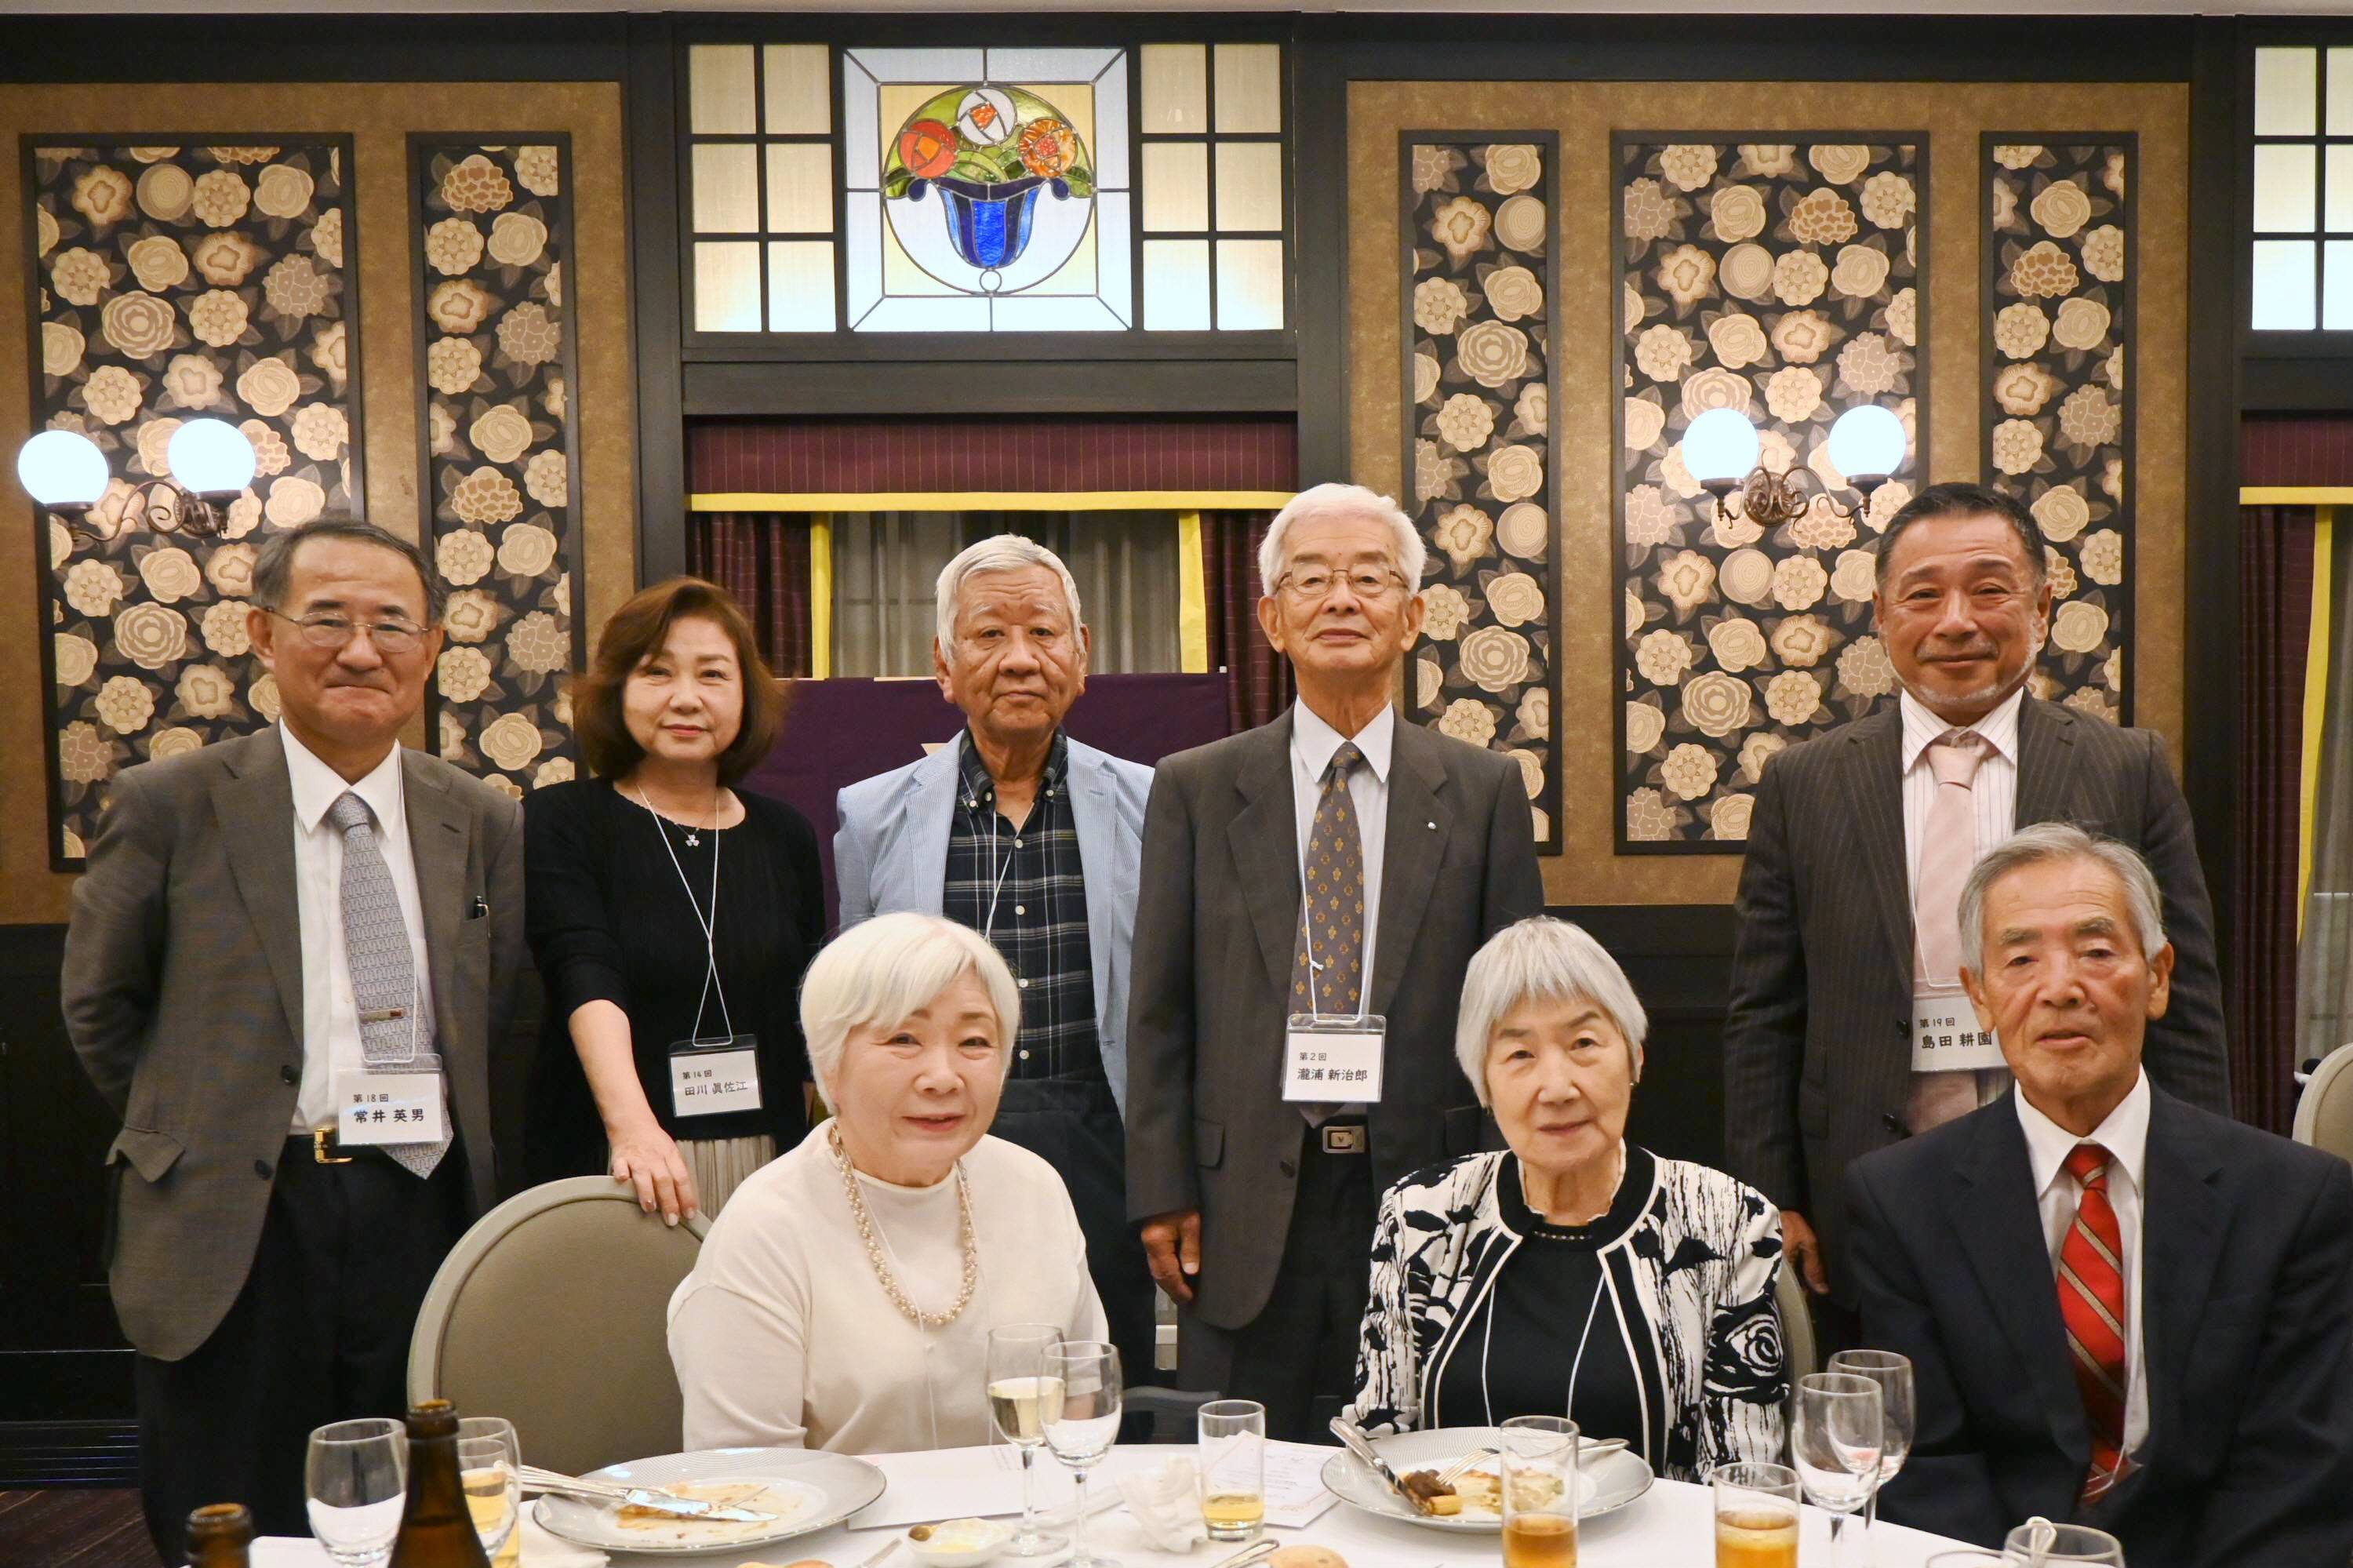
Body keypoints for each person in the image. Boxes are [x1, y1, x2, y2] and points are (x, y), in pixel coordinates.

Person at [60, 517, 527, 1561]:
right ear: (263, 634)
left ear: (431, 649)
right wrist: (203, 1124)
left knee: (420, 1507)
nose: (361, 650)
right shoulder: (171, 802)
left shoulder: (479, 816)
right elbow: (100, 1007)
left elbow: (499, 1007)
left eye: (392, 624)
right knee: (235, 1507)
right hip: (241, 1212)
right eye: (328, 619)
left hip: (422, 1199)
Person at [1723, 481, 2228, 1346]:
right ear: (1881, 615)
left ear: (2042, 606)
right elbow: (1764, 1009)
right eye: (1923, 595)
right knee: (1897, 1404)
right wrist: (1770, 1197)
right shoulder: (1805, 783)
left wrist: (2204, 1181)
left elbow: (2183, 1000)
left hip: (2085, 1174)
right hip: (1866, 1185)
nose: (1956, 621)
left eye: (1990, 589)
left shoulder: (2125, 768)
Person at [1126, 482, 1545, 1440]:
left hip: (1431, 1184)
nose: (1341, 599)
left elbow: (1517, 1015)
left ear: (1413, 616)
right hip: (1239, 1195)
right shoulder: (1196, 788)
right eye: (1310, 579)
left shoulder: (1483, 791)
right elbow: (1159, 1007)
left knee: (1423, 1458)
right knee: (1240, 1470)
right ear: (1272, 619)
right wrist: (1163, 1188)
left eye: (1369, 577)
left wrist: (1508, 1187)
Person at [1848, 823, 2353, 1563]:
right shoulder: (1901, 1199)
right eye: (2022, 959)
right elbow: (1926, 1463)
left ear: (2158, 977)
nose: (2060, 988)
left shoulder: (2294, 1199)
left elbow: (2297, 1472)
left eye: (2096, 951)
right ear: (1980, 995)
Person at [834, 535, 1157, 1383]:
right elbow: (854, 1011)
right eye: (988, 635)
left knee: (1101, 1377)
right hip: (935, 1136)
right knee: (937, 1367)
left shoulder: (1155, 804)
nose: (1019, 658)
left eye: (1043, 632)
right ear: (944, 665)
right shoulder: (872, 816)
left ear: (1081, 657)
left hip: (1104, 1138)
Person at [1344, 919, 1784, 1479]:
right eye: (1520, 1054)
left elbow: (1744, 1481)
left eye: (1583, 1044)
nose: (1556, 1088)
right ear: (1483, 1082)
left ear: (1636, 1058)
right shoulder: (1421, 1215)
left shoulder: (1725, 1220)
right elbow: (1378, 1450)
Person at [668, 912, 1107, 1452]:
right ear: (830, 1064)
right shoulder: (766, 1227)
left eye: (974, 1041)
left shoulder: (1033, 1186)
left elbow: (1081, 1388)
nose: (943, 1077)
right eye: (904, 1038)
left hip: (1022, 1506)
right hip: (837, 1511)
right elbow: (745, 1472)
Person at [524, 577, 821, 1220]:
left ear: (746, 696)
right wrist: (632, 1130)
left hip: (769, 1169)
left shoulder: (785, 833)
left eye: (712, 674)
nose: (686, 698)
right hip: (620, 1165)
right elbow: (583, 969)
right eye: (657, 672)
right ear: (617, 690)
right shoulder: (561, 820)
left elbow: (802, 1014)